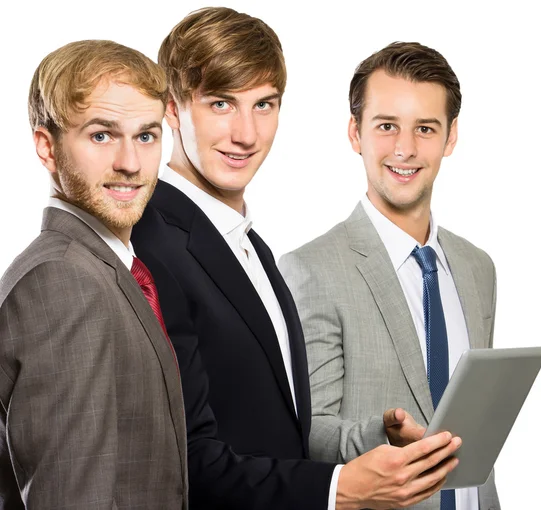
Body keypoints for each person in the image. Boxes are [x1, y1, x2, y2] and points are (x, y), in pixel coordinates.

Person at [132, 8, 462, 510]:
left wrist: (375, 439)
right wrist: (339, 489)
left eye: (264, 104)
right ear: (172, 110)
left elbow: (275, 427)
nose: (246, 133)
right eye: (221, 104)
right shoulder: (148, 244)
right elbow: (180, 457)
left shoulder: (251, 245)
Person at [280, 42, 502, 510]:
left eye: (425, 128)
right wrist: (380, 432)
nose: (405, 149)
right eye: (386, 126)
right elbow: (310, 431)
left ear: (451, 137)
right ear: (355, 133)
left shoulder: (478, 268)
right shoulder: (311, 269)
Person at [0, 40, 188, 509]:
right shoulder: (63, 282)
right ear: (47, 146)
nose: (130, 163)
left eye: (146, 135)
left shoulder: (102, 268)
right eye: (102, 135)